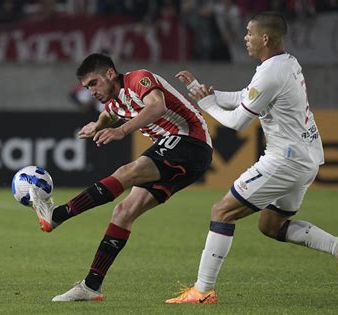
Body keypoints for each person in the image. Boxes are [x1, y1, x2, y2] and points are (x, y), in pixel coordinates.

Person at [165, 11, 338, 304]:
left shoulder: (270, 73)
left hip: (285, 160)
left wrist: (206, 103)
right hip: (307, 158)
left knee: (222, 212)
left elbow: (236, 123)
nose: (245, 38)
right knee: (271, 225)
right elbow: (248, 95)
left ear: (265, 38)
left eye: (249, 33)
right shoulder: (286, 63)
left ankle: (203, 291)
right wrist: (206, 92)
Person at [29, 53, 212, 302]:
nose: (91, 91)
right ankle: (91, 286)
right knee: (123, 213)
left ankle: (57, 215)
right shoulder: (114, 104)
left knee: (127, 172)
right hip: (184, 160)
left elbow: (157, 106)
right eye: (86, 87)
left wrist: (122, 130)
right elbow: (110, 113)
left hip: (191, 140)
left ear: (110, 74)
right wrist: (98, 124)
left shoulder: (139, 78)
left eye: (94, 83)